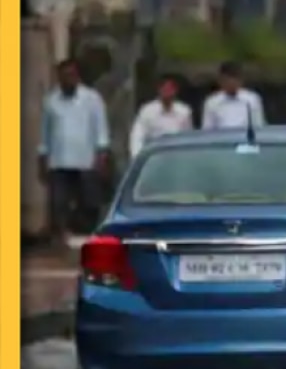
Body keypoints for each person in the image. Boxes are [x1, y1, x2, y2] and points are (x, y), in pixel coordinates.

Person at [38, 58, 111, 242]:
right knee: (59, 202)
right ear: (59, 77)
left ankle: (87, 236)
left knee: (89, 201)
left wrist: (101, 154)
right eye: (64, 76)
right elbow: (45, 132)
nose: (68, 79)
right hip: (59, 160)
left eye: (71, 75)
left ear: (77, 76)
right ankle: (62, 238)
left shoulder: (92, 98)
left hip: (85, 159)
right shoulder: (51, 101)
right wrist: (42, 157)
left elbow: (101, 128)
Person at [128, 73, 193, 159]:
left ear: (175, 91)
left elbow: (188, 137)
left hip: (177, 156)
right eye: (164, 89)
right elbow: (137, 136)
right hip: (153, 156)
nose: (167, 92)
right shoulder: (147, 111)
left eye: (170, 89)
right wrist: (138, 157)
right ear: (159, 90)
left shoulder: (184, 112)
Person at [201, 61, 266, 130]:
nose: (231, 84)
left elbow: (258, 125)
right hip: (221, 138)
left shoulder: (252, 99)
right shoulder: (212, 102)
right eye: (227, 80)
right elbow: (207, 129)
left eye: (235, 80)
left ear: (241, 80)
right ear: (220, 81)